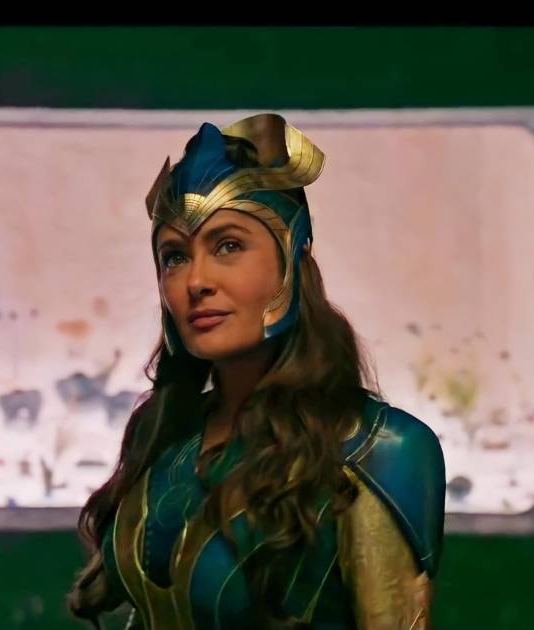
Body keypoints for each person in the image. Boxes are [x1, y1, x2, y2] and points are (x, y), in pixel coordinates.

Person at [67, 113, 446, 629]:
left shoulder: (377, 449)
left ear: (291, 259)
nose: (196, 281)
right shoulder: (163, 432)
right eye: (174, 257)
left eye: (228, 246)